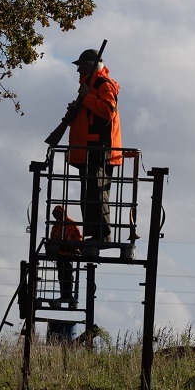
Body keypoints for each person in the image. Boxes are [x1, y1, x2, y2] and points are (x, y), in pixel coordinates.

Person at [67, 49, 121, 242]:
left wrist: (87, 97)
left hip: (99, 149)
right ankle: (96, 234)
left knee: (97, 193)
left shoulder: (101, 83)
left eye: (80, 66)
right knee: (90, 195)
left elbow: (108, 111)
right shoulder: (91, 85)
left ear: (90, 66)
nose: (78, 70)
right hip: (89, 149)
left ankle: (102, 235)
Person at [49, 205, 82, 307]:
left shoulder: (71, 224)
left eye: (57, 214)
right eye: (55, 214)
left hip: (69, 254)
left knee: (67, 275)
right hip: (60, 255)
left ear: (62, 213)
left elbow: (79, 238)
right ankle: (64, 296)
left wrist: (75, 248)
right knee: (61, 276)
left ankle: (68, 296)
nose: (56, 216)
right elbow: (52, 239)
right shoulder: (55, 226)